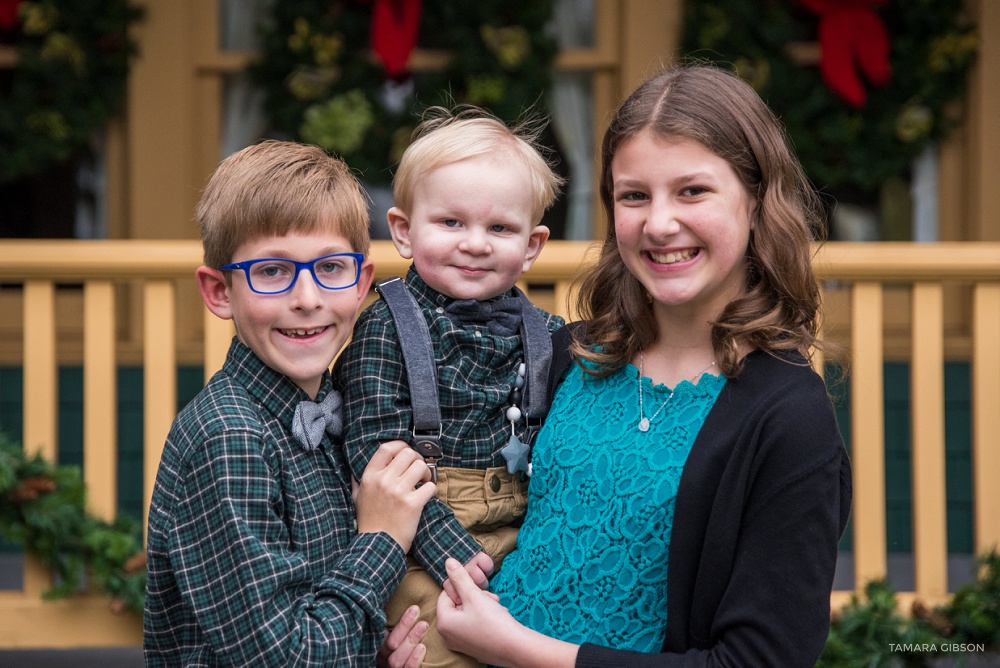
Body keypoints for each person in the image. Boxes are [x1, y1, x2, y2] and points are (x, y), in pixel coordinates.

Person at [434, 64, 853, 666]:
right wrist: (419, 616)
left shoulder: (788, 416)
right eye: (634, 195)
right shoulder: (564, 354)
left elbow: (759, 660)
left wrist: (515, 648)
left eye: (693, 191)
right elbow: (475, 509)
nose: (659, 224)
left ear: (757, 200)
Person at [144, 139, 438, 666]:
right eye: (272, 271)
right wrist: (382, 540)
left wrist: (370, 652)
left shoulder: (339, 412)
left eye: (331, 268)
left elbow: (322, 616)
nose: (307, 299)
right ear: (218, 291)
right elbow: (287, 658)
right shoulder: (230, 441)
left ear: (362, 282)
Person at [333, 107, 565, 667]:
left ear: (532, 245)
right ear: (405, 231)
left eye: (501, 228)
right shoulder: (387, 324)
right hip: (420, 539)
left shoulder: (549, 335)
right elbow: (374, 449)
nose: (476, 243)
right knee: (442, 654)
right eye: (451, 223)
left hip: (520, 535)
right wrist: (444, 548)